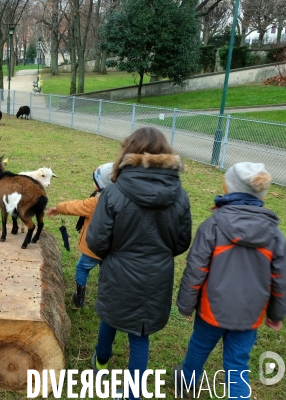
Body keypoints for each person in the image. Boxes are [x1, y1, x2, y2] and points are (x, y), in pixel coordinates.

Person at [86, 127, 192, 400]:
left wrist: (117, 253)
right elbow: (181, 242)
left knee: (110, 316)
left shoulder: (113, 193)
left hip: (119, 271)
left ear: (129, 152)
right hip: (156, 277)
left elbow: (97, 240)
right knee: (140, 333)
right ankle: (131, 391)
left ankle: (100, 364)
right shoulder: (179, 196)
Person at [176, 162, 286, 399]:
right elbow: (280, 279)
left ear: (228, 188)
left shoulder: (212, 225)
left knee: (199, 347)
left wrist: (185, 304)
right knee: (237, 364)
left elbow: (196, 269)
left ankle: (187, 380)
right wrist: (276, 314)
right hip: (250, 313)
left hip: (212, 309)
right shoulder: (275, 235)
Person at [46, 162, 114, 309]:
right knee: (106, 271)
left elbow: (75, 206)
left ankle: (79, 297)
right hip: (112, 248)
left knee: (82, 267)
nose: (93, 183)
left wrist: (58, 208)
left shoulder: (96, 202)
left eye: (95, 181)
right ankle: (107, 295)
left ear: (101, 185)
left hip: (93, 248)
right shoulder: (123, 201)